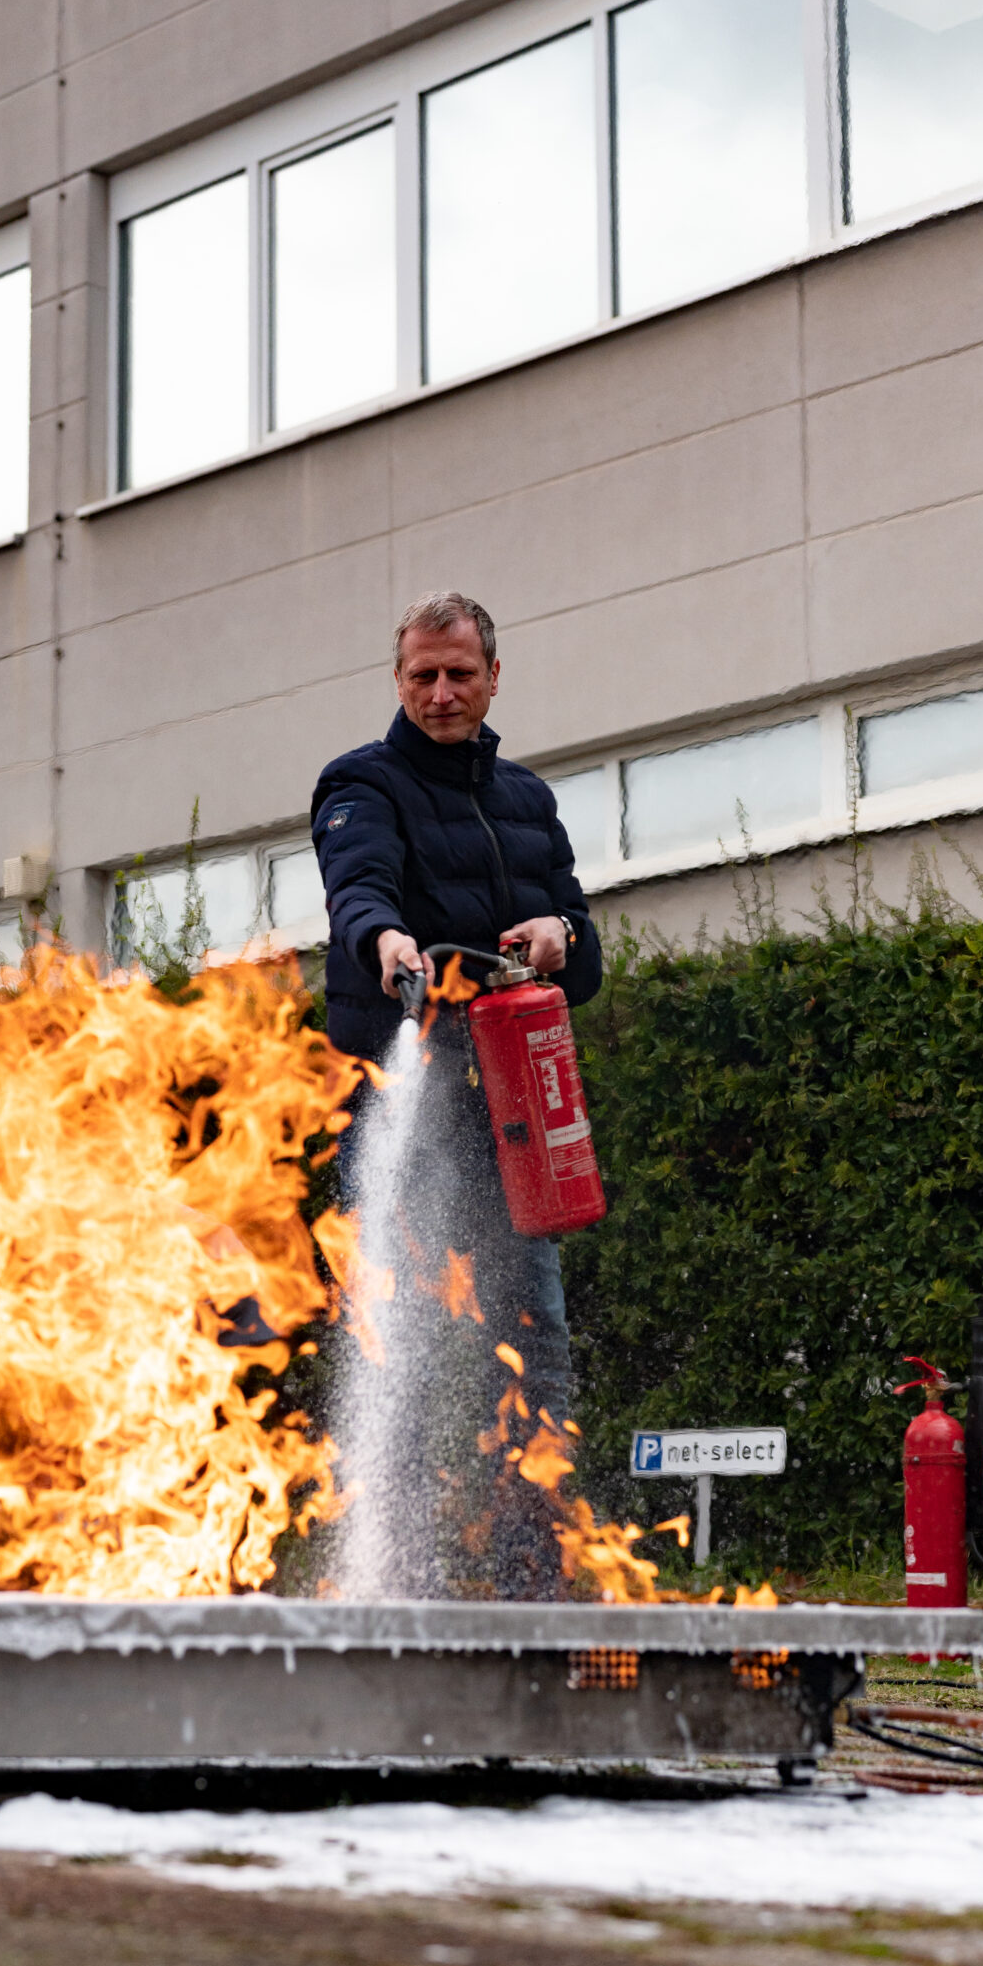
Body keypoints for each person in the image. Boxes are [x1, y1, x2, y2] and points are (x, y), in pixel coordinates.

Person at [312, 592, 603, 1597]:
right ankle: (394, 1576)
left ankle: (536, 1581)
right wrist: (383, 941)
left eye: (458, 674)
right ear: (397, 681)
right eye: (421, 676)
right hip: (406, 1117)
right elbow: (358, 886)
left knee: (534, 1352)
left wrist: (562, 936)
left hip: (514, 1120)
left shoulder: (526, 800)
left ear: (491, 677)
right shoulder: (359, 783)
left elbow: (587, 950)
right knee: (395, 1347)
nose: (440, 692)